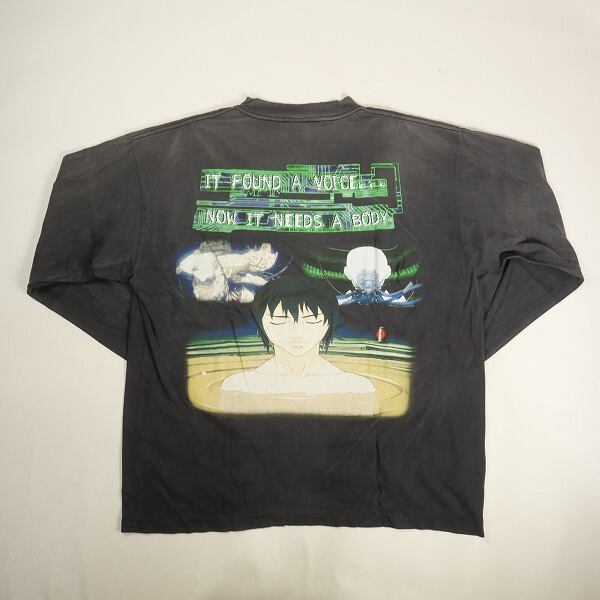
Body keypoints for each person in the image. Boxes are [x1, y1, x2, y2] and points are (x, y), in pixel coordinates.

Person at [221, 276, 375, 395]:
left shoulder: (356, 387)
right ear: (260, 322)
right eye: (280, 320)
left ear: (329, 322)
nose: (296, 332)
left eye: (311, 320)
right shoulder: (237, 386)